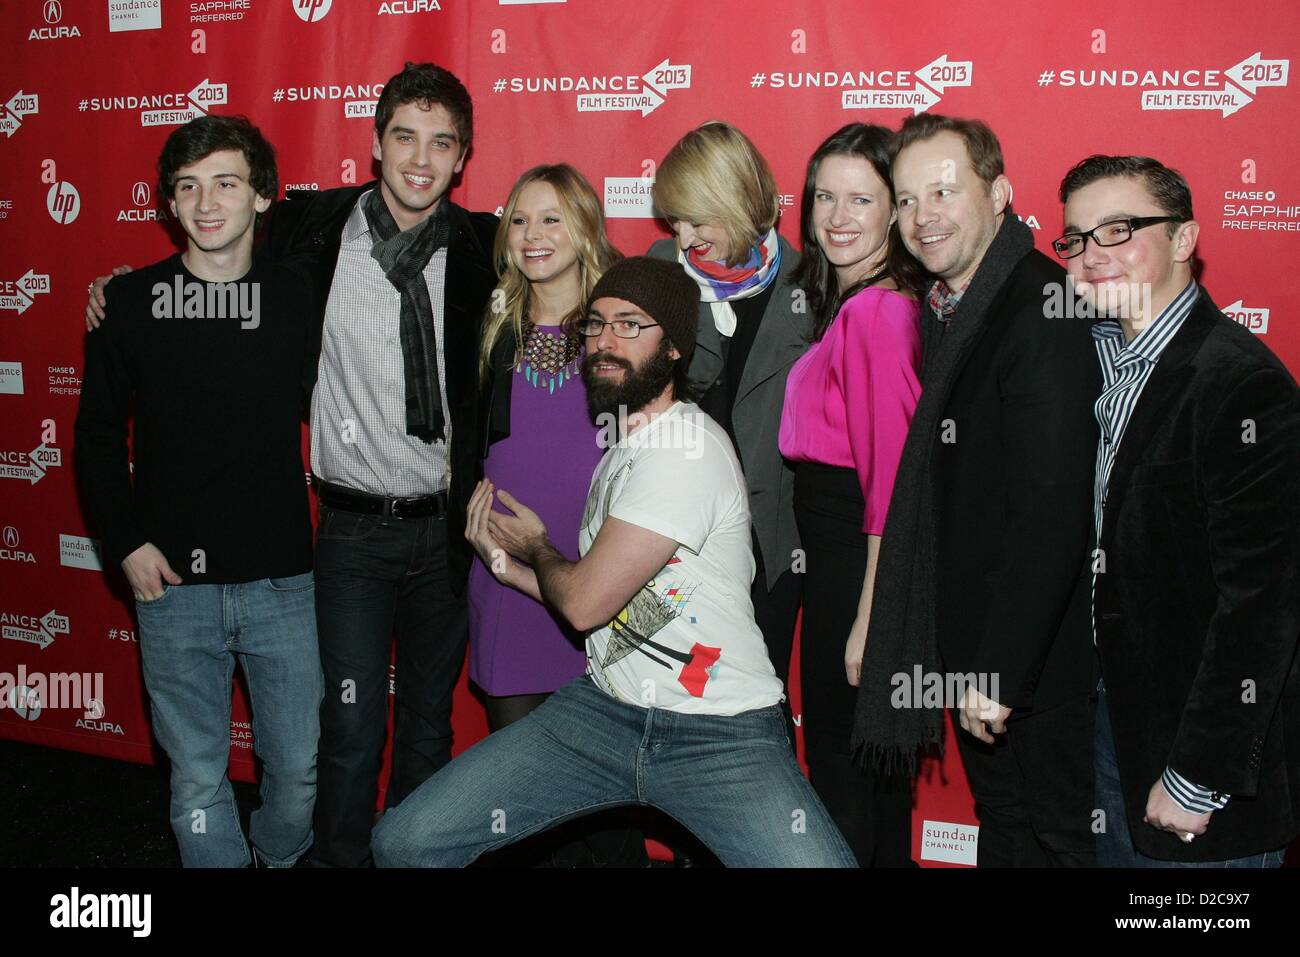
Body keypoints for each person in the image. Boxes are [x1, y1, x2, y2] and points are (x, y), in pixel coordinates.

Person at [84, 62, 499, 867]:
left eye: (440, 143)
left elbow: (554, 303)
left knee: (424, 721)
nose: (420, 158)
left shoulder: (485, 247)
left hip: (445, 531)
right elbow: (208, 260)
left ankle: (411, 854)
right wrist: (117, 291)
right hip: (344, 532)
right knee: (340, 731)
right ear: (374, 146)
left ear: (461, 157)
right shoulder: (317, 233)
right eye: (403, 137)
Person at [371, 257, 857, 868]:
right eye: (596, 325)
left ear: (676, 347)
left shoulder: (685, 452)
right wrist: (508, 570)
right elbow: (638, 603)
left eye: (631, 325)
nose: (605, 341)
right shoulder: (626, 446)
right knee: (406, 842)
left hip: (717, 733)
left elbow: (583, 603)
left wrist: (536, 549)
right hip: (606, 711)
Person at [851, 115, 1101, 867]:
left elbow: (1052, 514)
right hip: (978, 644)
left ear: (1000, 194)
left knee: (1058, 840)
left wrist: (999, 668)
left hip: (1037, 661)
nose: (922, 215)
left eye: (943, 191)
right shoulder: (947, 310)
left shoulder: (1042, 308)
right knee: (1009, 825)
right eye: (905, 199)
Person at [74, 114, 322, 867]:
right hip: (171, 586)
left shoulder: (302, 299)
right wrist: (124, 544)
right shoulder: (126, 304)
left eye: (226, 183)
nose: (206, 202)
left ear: (263, 197)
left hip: (283, 580)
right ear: (170, 205)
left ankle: (277, 858)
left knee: (299, 775)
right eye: (188, 187)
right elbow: (93, 438)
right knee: (195, 781)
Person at [1057, 154, 1300, 867]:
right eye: (1076, 238)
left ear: (1186, 239)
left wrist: (1201, 774)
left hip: (1198, 755)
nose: (1092, 255)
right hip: (1115, 721)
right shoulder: (1097, 357)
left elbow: (1265, 603)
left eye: (1119, 229)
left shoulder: (1240, 384)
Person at [473, 164, 646, 866]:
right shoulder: (491, 323)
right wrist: (473, 521)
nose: (532, 235)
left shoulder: (620, 324)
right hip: (504, 576)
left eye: (550, 218)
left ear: (582, 226)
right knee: (525, 806)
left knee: (609, 806)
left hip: (599, 578)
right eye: (518, 219)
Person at [778, 123, 926, 865]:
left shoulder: (877, 312)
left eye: (861, 198)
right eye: (824, 197)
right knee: (862, 768)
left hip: (855, 559)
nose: (838, 216)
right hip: (838, 553)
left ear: (894, 211)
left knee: (846, 765)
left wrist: (872, 614)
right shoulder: (853, 302)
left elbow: (893, 481)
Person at [647, 122, 809, 728]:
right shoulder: (663, 268)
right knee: (681, 706)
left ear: (736, 201)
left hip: (772, 540)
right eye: (674, 222)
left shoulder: (809, 284)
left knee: (756, 705)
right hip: (679, 535)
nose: (684, 238)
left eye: (696, 220)